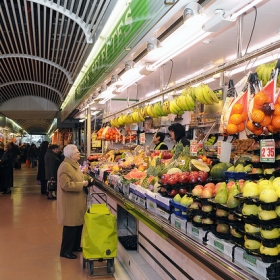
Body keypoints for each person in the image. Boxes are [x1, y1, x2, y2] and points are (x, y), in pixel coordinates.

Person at [57, 144, 89, 259]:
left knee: (78, 225)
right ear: (71, 155)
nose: (79, 153)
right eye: (77, 152)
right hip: (69, 203)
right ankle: (65, 251)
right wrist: (82, 184)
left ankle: (75, 246)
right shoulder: (65, 166)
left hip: (76, 201)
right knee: (70, 227)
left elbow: (76, 177)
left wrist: (84, 178)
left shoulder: (73, 165)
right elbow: (65, 185)